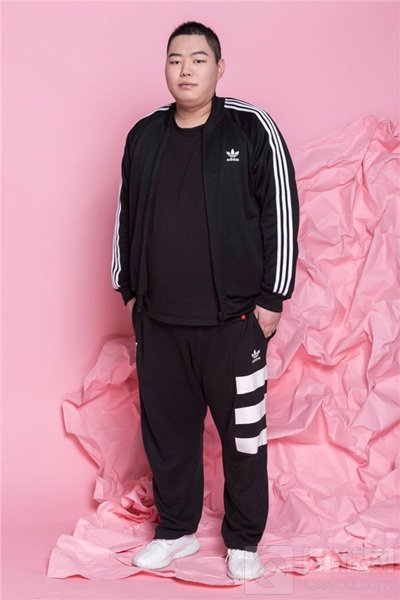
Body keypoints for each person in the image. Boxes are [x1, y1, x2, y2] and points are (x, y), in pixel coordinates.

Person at [111, 21, 299, 581]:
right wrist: (129, 291)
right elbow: (125, 215)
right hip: (160, 322)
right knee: (168, 436)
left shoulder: (252, 127)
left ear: (219, 68)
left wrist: (273, 298)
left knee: (244, 435)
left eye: (198, 59)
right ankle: (175, 531)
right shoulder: (144, 135)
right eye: (175, 59)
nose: (186, 69)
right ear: (166, 69)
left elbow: (282, 211)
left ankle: (244, 539)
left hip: (233, 321)